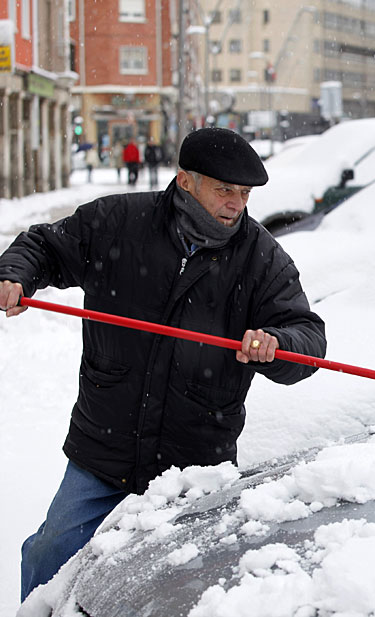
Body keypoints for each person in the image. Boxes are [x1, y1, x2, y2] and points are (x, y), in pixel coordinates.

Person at [0, 127, 327, 603]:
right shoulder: (118, 221)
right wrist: (14, 274)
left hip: (194, 462)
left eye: (244, 194)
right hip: (104, 449)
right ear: (186, 181)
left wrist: (276, 343)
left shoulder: (261, 258)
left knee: (174, 589)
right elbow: (44, 246)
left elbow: (308, 337)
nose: (236, 204)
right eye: (224, 190)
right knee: (51, 553)